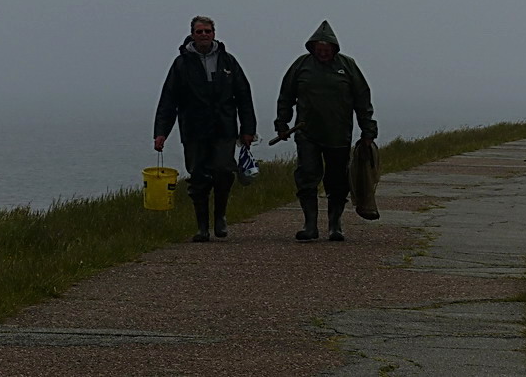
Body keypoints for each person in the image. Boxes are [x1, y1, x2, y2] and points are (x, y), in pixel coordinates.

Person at [154, 16, 257, 242]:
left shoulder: (228, 61)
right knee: (198, 176)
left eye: (207, 31)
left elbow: (243, 95)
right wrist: (161, 132)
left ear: (214, 33)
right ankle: (202, 227)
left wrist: (248, 129)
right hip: (193, 129)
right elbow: (168, 100)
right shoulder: (180, 64)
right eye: (199, 31)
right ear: (192, 34)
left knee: (223, 170)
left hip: (224, 127)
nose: (203, 35)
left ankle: (220, 216)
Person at [274, 20, 377, 242]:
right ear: (312, 48)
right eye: (318, 50)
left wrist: (368, 130)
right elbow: (286, 96)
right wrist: (282, 123)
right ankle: (310, 225)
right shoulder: (301, 65)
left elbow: (362, 99)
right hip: (307, 133)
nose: (322, 53)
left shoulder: (347, 66)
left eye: (326, 50)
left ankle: (335, 225)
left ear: (333, 48)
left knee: (337, 181)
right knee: (307, 177)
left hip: (339, 135)